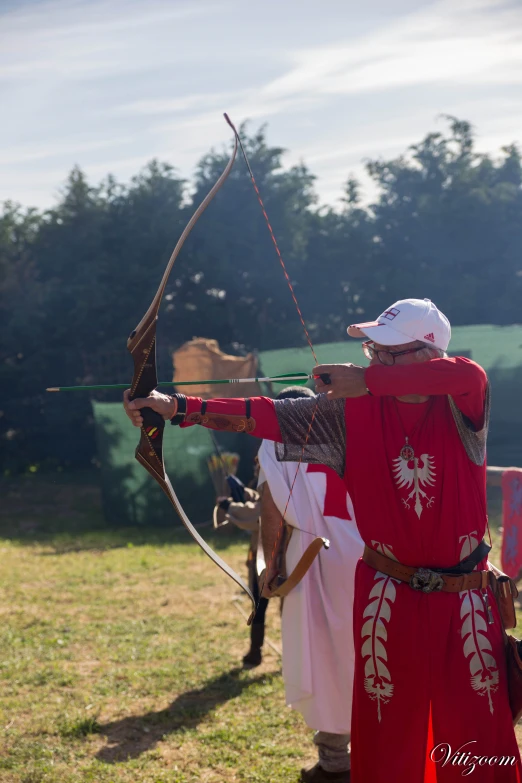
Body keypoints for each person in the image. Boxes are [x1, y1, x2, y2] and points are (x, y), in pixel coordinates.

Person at [124, 298, 522, 782]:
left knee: (474, 738)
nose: (374, 358)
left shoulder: (464, 404)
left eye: (389, 352)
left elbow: (467, 374)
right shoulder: (347, 416)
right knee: (389, 731)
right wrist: (178, 407)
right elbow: (266, 415)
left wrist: (369, 380)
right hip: (388, 595)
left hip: (463, 597)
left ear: (428, 354)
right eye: (373, 350)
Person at [257, 385, 363, 783]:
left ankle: (336, 762)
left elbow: (272, 509)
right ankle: (365, 753)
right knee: (363, 651)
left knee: (324, 658)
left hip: (311, 557)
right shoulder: (349, 431)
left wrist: (271, 567)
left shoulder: (276, 440)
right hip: (366, 553)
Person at [213, 479, 269, 668]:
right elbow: (261, 498)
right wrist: (242, 492)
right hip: (264, 552)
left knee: (269, 605)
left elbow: (262, 513)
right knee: (259, 604)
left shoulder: (279, 467)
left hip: (276, 555)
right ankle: (255, 651)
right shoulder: (269, 464)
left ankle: (260, 653)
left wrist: (230, 506)